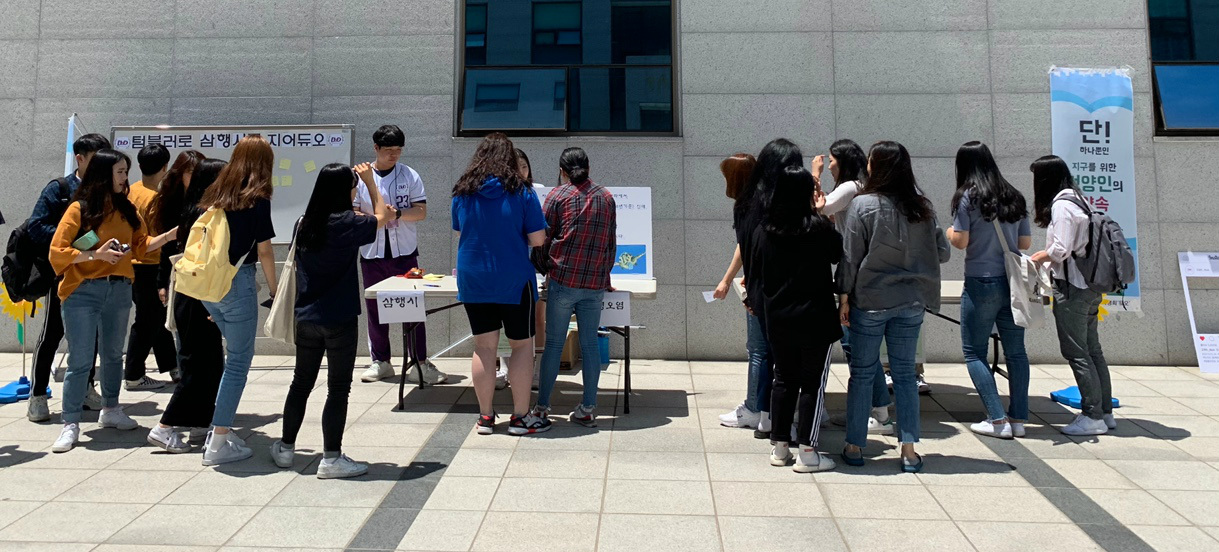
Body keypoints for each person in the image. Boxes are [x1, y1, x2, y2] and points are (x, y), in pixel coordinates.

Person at [47, 149, 177, 452]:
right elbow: (57, 251)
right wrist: (96, 254)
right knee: (80, 360)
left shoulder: (126, 208)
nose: (125, 177)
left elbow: (141, 246)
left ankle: (111, 408)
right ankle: (70, 422)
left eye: (125, 171)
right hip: (82, 290)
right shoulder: (79, 209)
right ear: (104, 174)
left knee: (113, 354)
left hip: (118, 290)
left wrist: (170, 236)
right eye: (120, 171)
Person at [270, 162, 395, 478]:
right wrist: (371, 182)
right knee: (338, 388)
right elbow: (384, 215)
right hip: (339, 316)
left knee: (301, 383)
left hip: (306, 316)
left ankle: (285, 448)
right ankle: (331, 458)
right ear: (346, 190)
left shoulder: (304, 222)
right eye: (353, 187)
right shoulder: (349, 222)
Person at [836, 141, 949, 473]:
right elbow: (942, 252)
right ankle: (909, 451)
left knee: (861, 374)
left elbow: (850, 256)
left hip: (870, 300)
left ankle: (854, 445)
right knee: (904, 376)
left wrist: (843, 296)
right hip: (911, 300)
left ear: (877, 166)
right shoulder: (922, 206)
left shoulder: (862, 204)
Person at [451, 133, 549, 436]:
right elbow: (538, 239)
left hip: (473, 278)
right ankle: (520, 418)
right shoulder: (522, 192)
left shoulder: (462, 191)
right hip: (513, 279)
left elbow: (460, 231)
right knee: (522, 346)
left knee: (483, 347)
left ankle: (485, 417)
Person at [750, 162, 841, 472]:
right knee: (812, 384)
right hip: (816, 316)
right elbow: (836, 255)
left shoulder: (764, 229)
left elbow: (757, 271)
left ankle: (779, 447)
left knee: (783, 380)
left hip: (778, 317)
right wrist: (823, 216)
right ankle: (808, 452)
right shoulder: (818, 227)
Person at [196, 135, 278, 466]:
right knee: (238, 362)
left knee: (232, 357)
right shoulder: (258, 199)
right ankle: (218, 441)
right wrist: (275, 289)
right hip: (237, 282)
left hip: (207, 287)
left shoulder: (216, 194)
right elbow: (265, 251)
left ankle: (220, 430)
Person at [944, 142, 1033, 439]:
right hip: (1012, 282)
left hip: (980, 281)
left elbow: (960, 242)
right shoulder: (1014, 195)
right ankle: (1018, 419)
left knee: (974, 352)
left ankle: (997, 419)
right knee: (1016, 352)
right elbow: (1024, 244)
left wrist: (949, 232)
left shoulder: (967, 197)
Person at [25, 133, 110, 423]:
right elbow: (36, 227)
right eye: (96, 160)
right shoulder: (60, 189)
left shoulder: (108, 190)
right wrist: (73, 239)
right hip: (62, 274)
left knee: (92, 335)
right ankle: (37, 395)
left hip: (95, 272)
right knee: (52, 333)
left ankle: (86, 389)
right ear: (80, 159)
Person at [1029, 155, 1114, 437]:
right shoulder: (1079, 200)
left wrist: (1035, 259)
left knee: (1076, 352)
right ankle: (1105, 413)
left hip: (1072, 287)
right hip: (1089, 286)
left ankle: (1092, 416)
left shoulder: (1062, 205)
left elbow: (1060, 249)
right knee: (1092, 350)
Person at [146, 158, 227, 453]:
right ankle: (164, 427)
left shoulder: (197, 212)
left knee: (210, 364)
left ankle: (200, 425)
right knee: (197, 366)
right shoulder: (203, 215)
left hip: (193, 293)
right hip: (197, 296)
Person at [356, 125, 448, 385]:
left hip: (404, 253)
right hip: (372, 251)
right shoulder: (360, 176)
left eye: (398, 150)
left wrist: (396, 214)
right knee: (375, 308)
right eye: (388, 150)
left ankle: (419, 362)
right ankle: (381, 361)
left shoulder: (409, 175)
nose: (394, 155)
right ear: (376, 148)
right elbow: (352, 211)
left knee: (412, 307)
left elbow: (421, 211)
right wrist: (377, 219)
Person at [814, 139, 894, 436]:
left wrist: (814, 175)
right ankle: (876, 410)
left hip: (854, 274)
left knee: (857, 348)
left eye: (831, 160)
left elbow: (817, 207)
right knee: (859, 348)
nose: (829, 165)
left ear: (843, 161)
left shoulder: (849, 187)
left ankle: (879, 413)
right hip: (866, 274)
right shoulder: (862, 186)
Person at [534, 147, 617, 427]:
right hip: (593, 283)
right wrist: (605, 278)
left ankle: (542, 407)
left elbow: (543, 239)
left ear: (562, 171)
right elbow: (610, 243)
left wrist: (545, 268)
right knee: (590, 344)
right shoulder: (606, 197)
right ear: (589, 168)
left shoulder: (557, 196)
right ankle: (588, 408)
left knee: (553, 344)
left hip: (563, 279)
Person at [711, 153, 774, 433]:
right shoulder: (767, 201)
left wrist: (742, 282)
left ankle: (753, 409)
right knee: (769, 352)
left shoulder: (746, 206)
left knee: (758, 350)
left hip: (760, 289)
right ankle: (765, 410)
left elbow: (747, 246)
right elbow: (746, 246)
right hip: (770, 285)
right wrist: (727, 279)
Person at [123, 144, 176, 390]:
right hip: (151, 265)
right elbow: (160, 237)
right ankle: (133, 375)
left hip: (131, 264)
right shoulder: (157, 199)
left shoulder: (130, 191)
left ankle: (173, 366)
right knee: (148, 321)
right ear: (165, 167)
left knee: (156, 318)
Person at [153, 150, 207, 311]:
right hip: (181, 272)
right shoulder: (170, 202)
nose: (195, 176)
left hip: (206, 273)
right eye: (190, 172)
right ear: (180, 174)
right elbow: (168, 246)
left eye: (198, 171)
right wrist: (162, 282)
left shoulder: (210, 202)